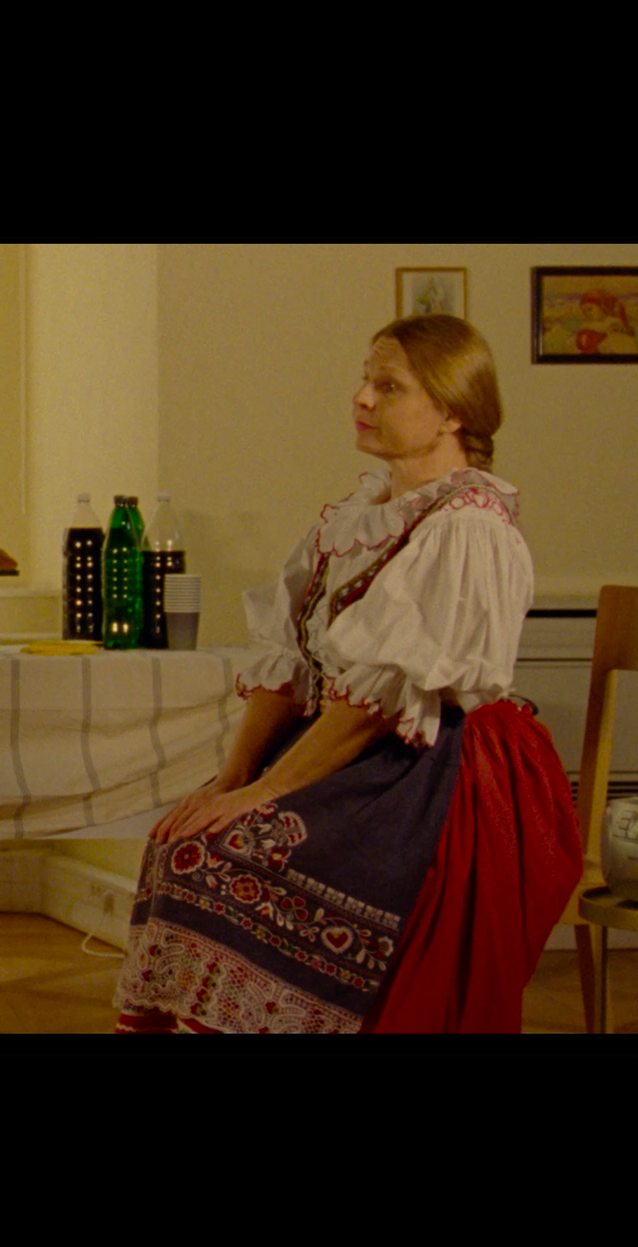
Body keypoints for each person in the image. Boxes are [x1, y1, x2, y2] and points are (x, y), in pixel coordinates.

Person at [112, 314, 582, 1034]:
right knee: (178, 840)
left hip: (432, 768)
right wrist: (232, 778)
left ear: (453, 411)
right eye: (365, 381)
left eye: (389, 387)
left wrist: (266, 792)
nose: (363, 398)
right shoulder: (356, 519)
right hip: (349, 749)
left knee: (220, 858)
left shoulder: (468, 526)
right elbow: (290, 663)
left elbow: (381, 702)